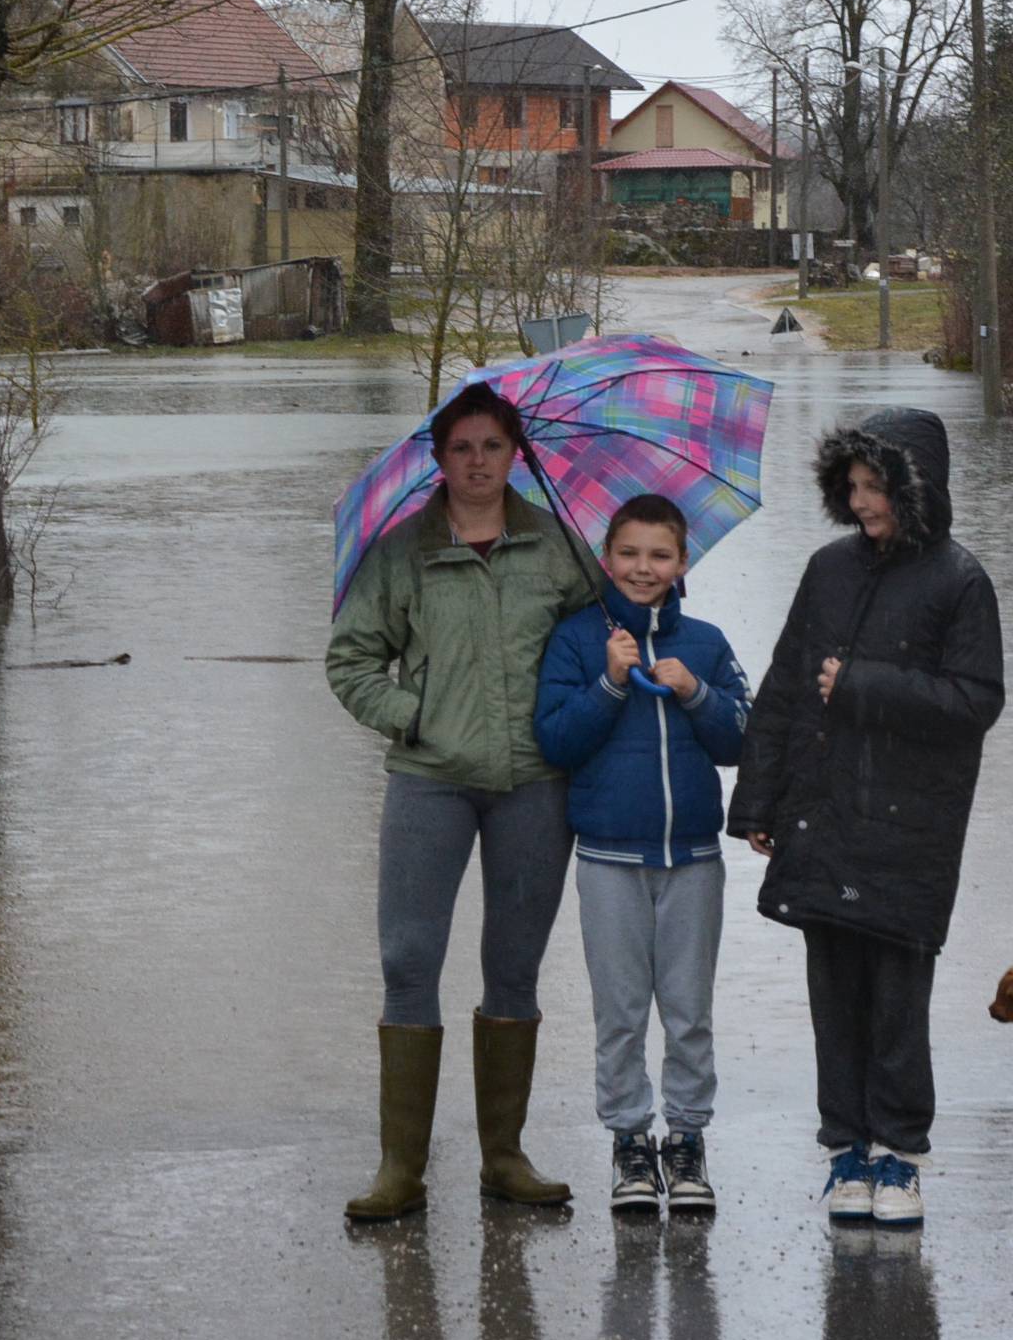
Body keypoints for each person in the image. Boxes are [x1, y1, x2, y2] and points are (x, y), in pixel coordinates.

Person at [326, 381, 599, 1222]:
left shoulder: (560, 548)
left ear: (516, 453)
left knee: (513, 966)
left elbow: (597, 651)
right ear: (437, 461)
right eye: (461, 449)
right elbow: (351, 662)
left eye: (492, 446)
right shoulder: (402, 552)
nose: (477, 463)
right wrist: (413, 718)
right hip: (429, 782)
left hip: (534, 786)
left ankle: (503, 1158)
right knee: (408, 961)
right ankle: (399, 1169)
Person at [727, 407, 1003, 1228]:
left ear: (916, 488)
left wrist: (861, 684)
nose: (863, 502)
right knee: (833, 988)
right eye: (852, 486)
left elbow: (977, 701)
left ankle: (900, 1157)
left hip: (912, 825)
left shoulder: (961, 581)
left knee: (896, 995)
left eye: (876, 486)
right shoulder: (827, 568)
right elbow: (783, 687)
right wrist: (757, 801)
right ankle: (845, 1150)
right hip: (823, 814)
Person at [535, 494, 753, 1216]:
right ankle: (630, 1140)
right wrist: (609, 683)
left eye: (659, 555)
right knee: (620, 1011)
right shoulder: (575, 642)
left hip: (692, 856)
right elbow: (555, 741)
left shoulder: (709, 643)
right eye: (628, 553)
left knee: (689, 1009)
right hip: (606, 857)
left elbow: (743, 741)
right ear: (607, 558)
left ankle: (686, 1140)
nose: (642, 568)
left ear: (683, 562)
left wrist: (696, 696)